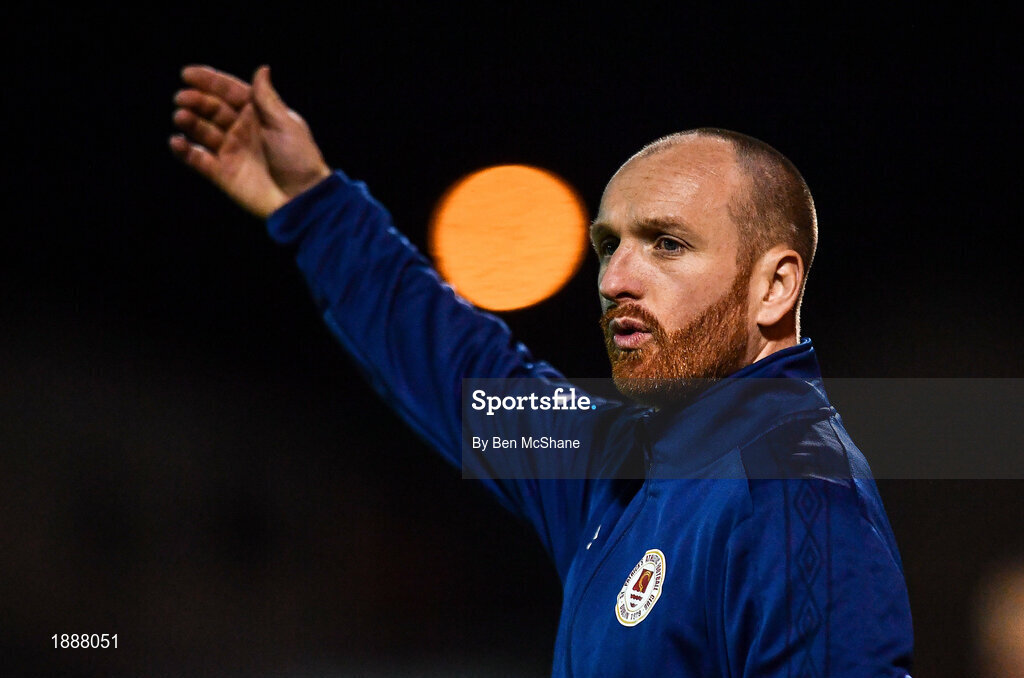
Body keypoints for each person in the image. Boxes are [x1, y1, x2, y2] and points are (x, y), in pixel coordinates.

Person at [170, 65, 914, 676]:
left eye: (666, 244)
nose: (617, 276)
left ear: (774, 287)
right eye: (608, 245)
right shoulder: (626, 462)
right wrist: (315, 206)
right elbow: (463, 372)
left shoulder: (795, 490)